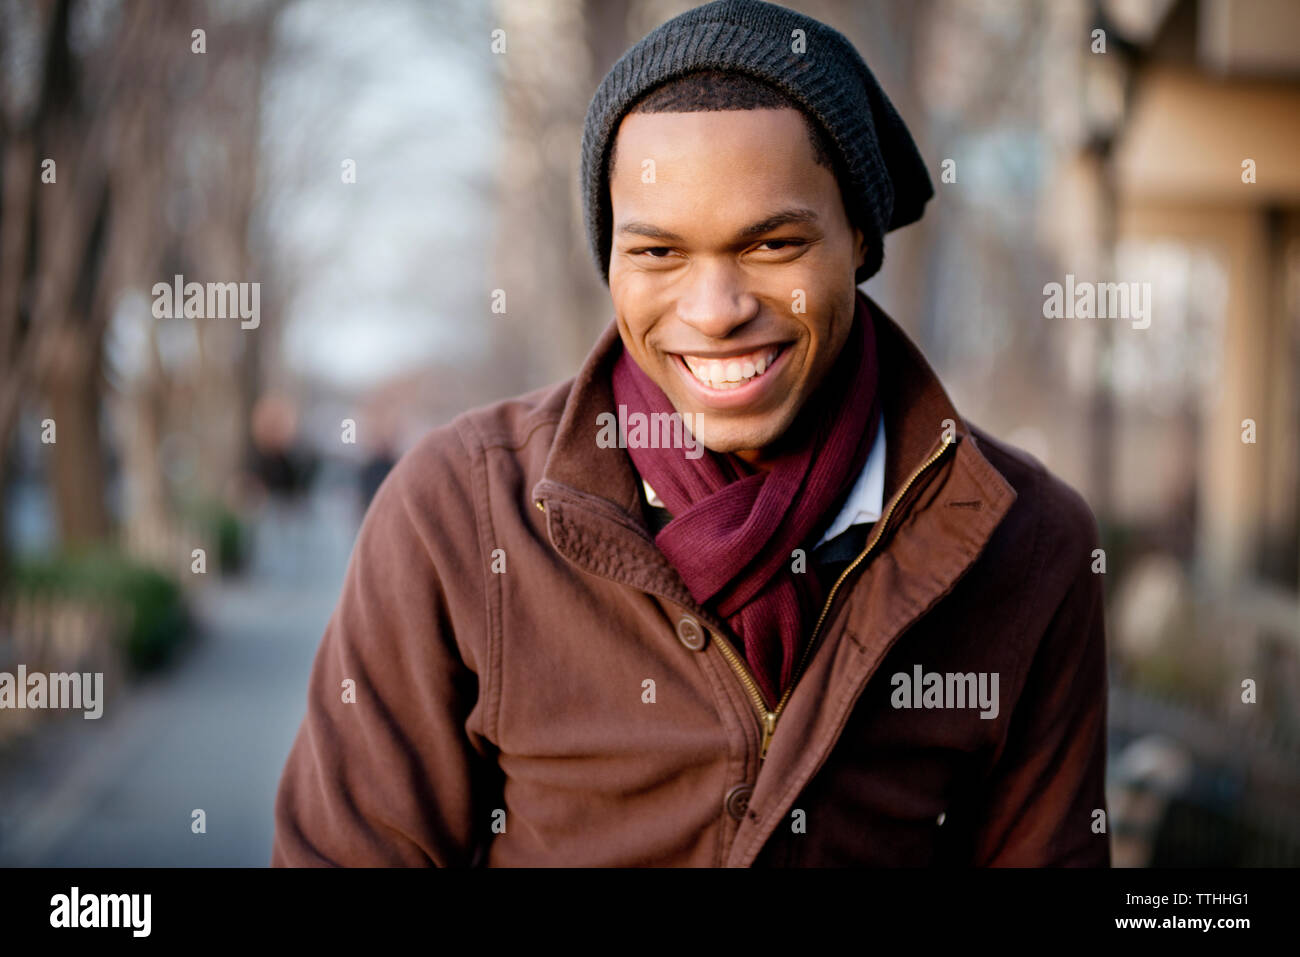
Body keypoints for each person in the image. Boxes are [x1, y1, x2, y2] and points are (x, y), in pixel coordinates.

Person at [272, 0, 1110, 867]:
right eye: (659, 254)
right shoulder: (457, 515)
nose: (716, 312)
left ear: (858, 238)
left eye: (774, 243)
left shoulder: (1029, 544)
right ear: (610, 262)